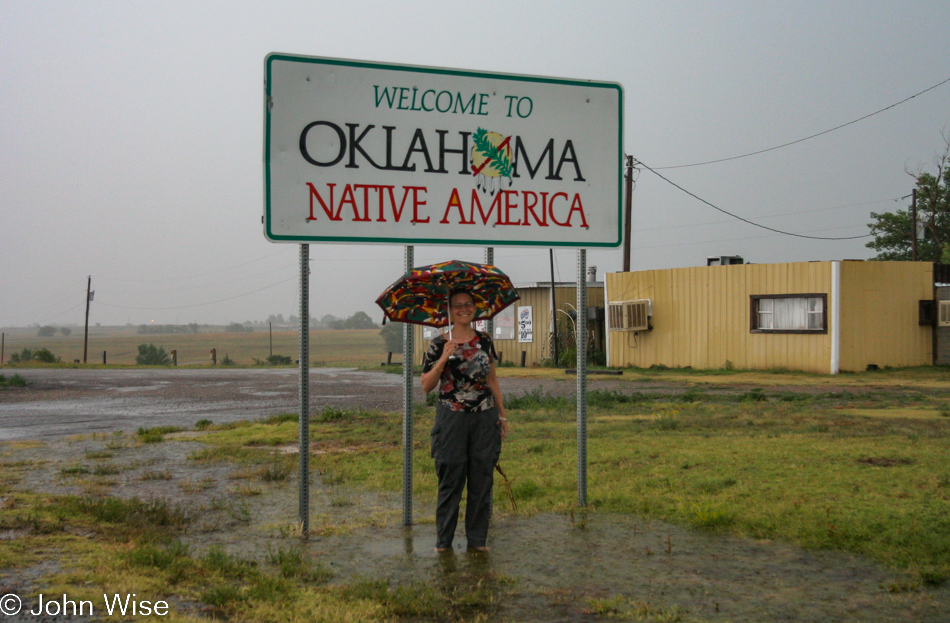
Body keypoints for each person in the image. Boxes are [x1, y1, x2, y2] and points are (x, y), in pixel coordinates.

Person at [421, 288, 508, 552]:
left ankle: (478, 541)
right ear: (449, 310)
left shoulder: (484, 340)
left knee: (482, 480)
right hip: (451, 419)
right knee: (451, 480)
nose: (463, 309)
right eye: (457, 305)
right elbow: (426, 385)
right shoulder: (437, 344)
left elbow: (492, 379)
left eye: (468, 304)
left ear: (475, 308)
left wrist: (502, 414)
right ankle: (444, 543)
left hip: (484, 417)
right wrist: (444, 358)